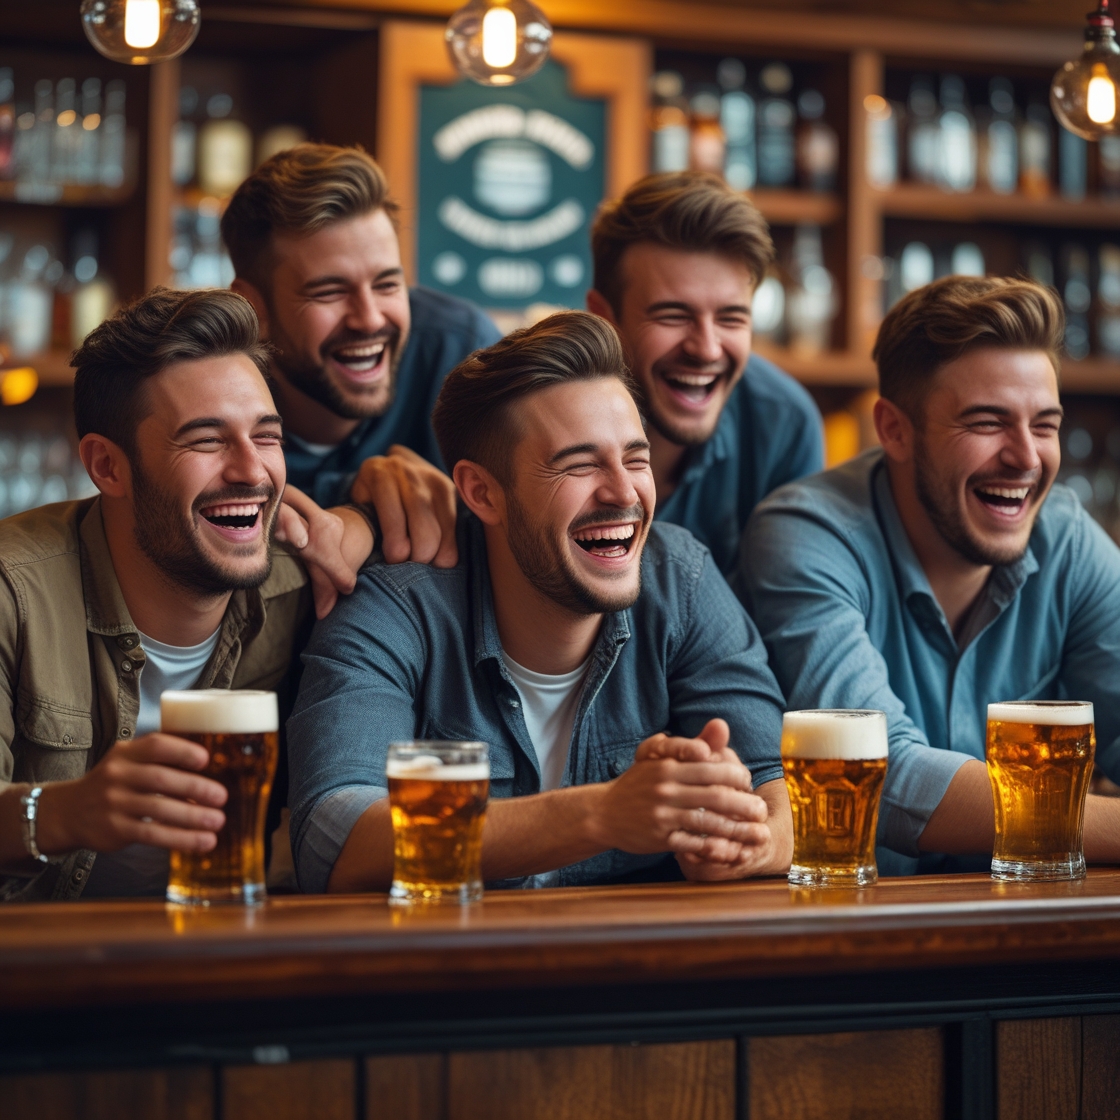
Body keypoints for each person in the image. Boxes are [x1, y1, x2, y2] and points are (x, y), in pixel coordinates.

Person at [288, 311, 792, 893]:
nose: (624, 493)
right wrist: (602, 813)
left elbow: (782, 793)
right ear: (481, 492)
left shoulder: (681, 580)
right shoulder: (396, 607)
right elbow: (336, 841)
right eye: (578, 464)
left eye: (636, 459)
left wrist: (748, 843)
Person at [0, 288, 385, 902]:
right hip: (45, 979)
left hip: (224, 966)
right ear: (107, 466)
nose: (252, 472)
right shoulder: (13, 594)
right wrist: (66, 812)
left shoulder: (301, 588)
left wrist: (368, 522)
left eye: (266, 437)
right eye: (206, 440)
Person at [737, 276, 1120, 875]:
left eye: (1044, 425)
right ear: (894, 429)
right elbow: (883, 773)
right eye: (987, 422)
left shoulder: (1066, 538)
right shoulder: (805, 534)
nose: (1026, 457)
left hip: (1025, 935)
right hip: (850, 939)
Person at [221, 143, 502, 565]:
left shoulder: (461, 352)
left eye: (388, 285)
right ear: (253, 309)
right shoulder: (214, 402)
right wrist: (360, 503)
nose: (369, 319)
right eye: (329, 292)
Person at [586, 172, 823, 574]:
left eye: (731, 318)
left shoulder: (783, 424)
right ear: (604, 317)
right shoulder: (538, 422)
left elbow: (787, 610)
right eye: (673, 315)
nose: (707, 348)